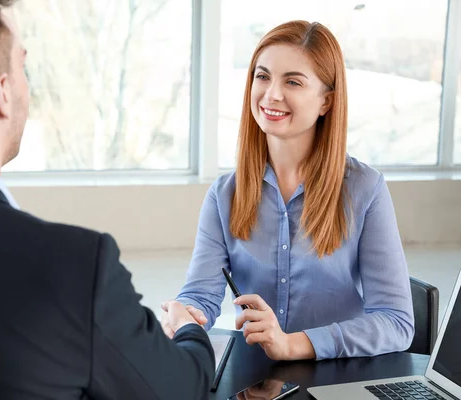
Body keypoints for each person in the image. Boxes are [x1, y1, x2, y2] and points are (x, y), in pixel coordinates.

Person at [0, 0, 214, 399]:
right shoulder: (75, 267)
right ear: (3, 91)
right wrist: (190, 329)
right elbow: (182, 390)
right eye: (22, 67)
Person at [165, 20, 414, 361]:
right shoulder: (224, 194)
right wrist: (187, 316)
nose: (271, 94)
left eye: (293, 81)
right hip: (255, 380)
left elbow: (396, 322)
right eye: (262, 76)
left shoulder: (364, 189)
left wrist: (292, 344)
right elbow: (201, 295)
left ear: (326, 101)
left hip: (336, 377)